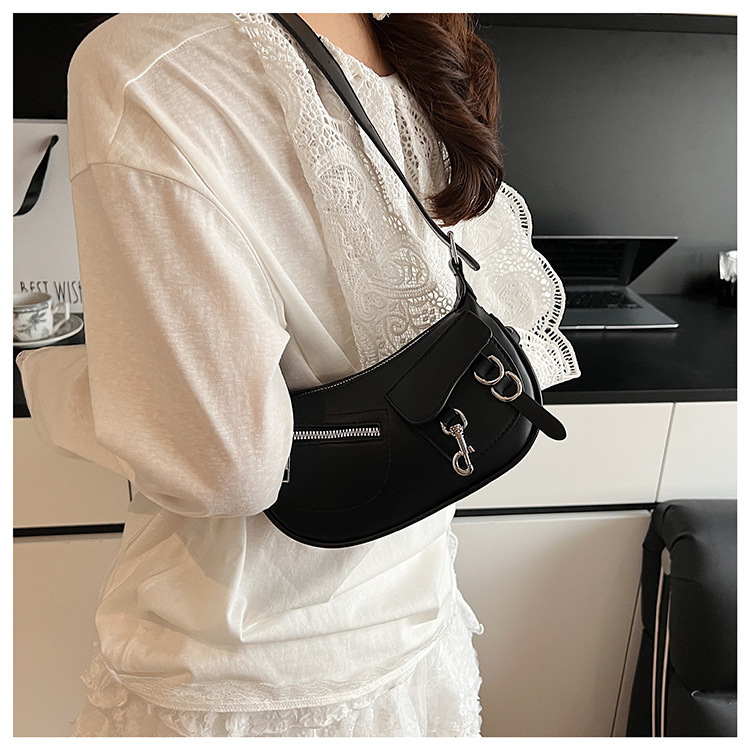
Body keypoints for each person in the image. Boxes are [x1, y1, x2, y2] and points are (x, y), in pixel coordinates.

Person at [16, 13, 579, 737]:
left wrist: (53, 384)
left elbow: (224, 466)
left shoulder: (144, 60)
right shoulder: (413, 39)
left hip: (242, 673)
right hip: (415, 632)